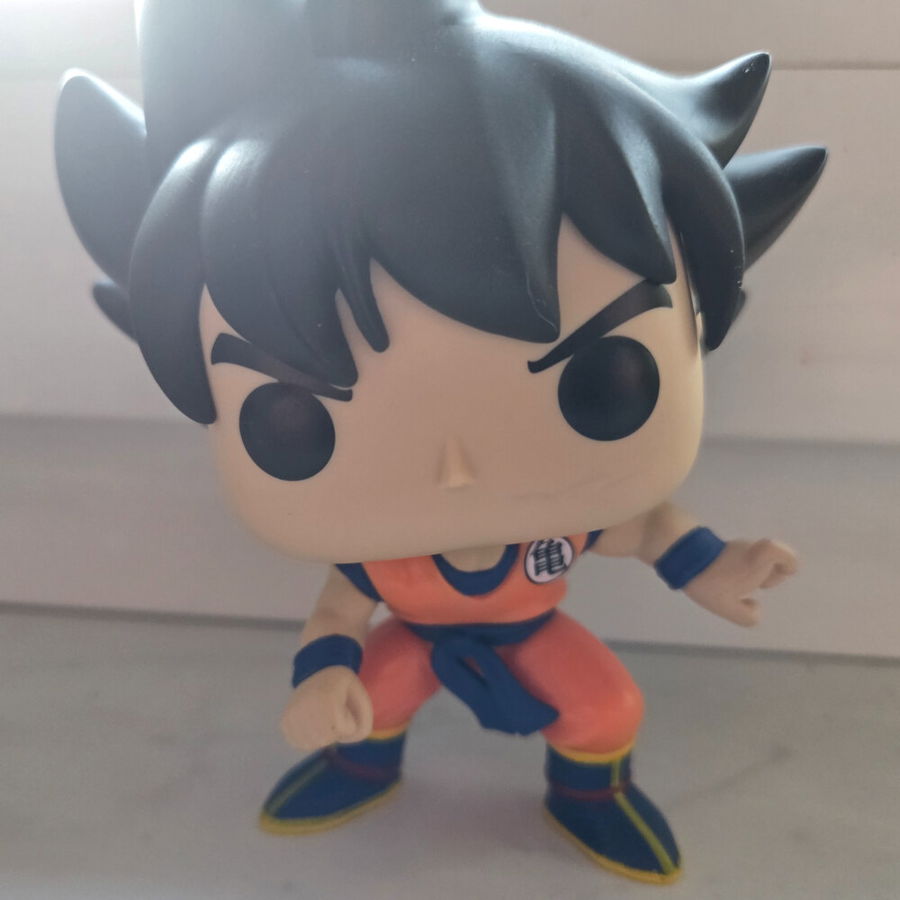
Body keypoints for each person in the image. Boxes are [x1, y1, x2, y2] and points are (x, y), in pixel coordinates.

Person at [55, 0, 826, 883]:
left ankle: (592, 790)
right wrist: (322, 681)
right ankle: (360, 764)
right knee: (370, 702)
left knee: (608, 704)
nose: (456, 469)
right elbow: (339, 616)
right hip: (414, 638)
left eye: (601, 379)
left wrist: (714, 565)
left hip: (533, 632)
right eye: (295, 422)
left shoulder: (554, 526)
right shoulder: (383, 561)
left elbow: (647, 527)